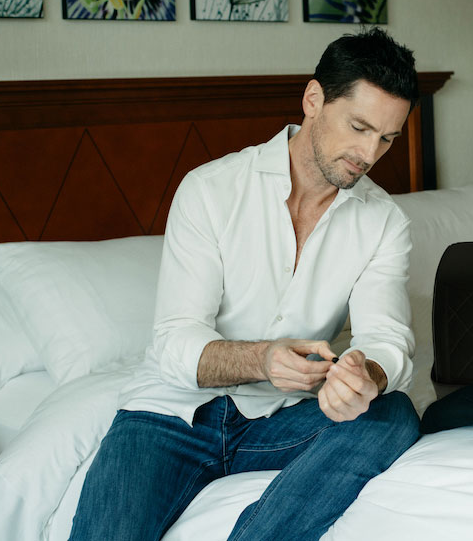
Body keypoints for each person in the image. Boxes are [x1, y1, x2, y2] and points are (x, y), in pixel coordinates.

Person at [69, 28, 422, 541]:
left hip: (282, 421)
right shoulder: (210, 190)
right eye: (360, 127)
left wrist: (364, 373)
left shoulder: (384, 221)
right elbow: (174, 343)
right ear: (313, 99)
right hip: (172, 418)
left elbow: (387, 340)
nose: (369, 153)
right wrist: (263, 359)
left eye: (387, 138)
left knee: (393, 415)